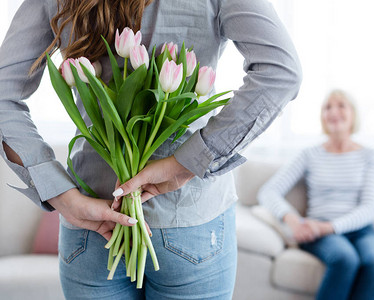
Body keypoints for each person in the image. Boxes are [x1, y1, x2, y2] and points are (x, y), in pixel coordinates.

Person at [0, 0, 301, 299]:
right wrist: (185, 164)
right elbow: (281, 71)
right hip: (188, 215)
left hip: (92, 216)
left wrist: (62, 196)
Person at [258, 90, 374, 300]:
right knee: (345, 259)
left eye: (341, 105)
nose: (333, 112)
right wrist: (292, 220)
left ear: (353, 114)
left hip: (360, 230)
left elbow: (369, 209)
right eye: (327, 107)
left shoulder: (370, 156)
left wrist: (329, 227)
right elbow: (268, 191)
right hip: (317, 230)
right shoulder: (309, 154)